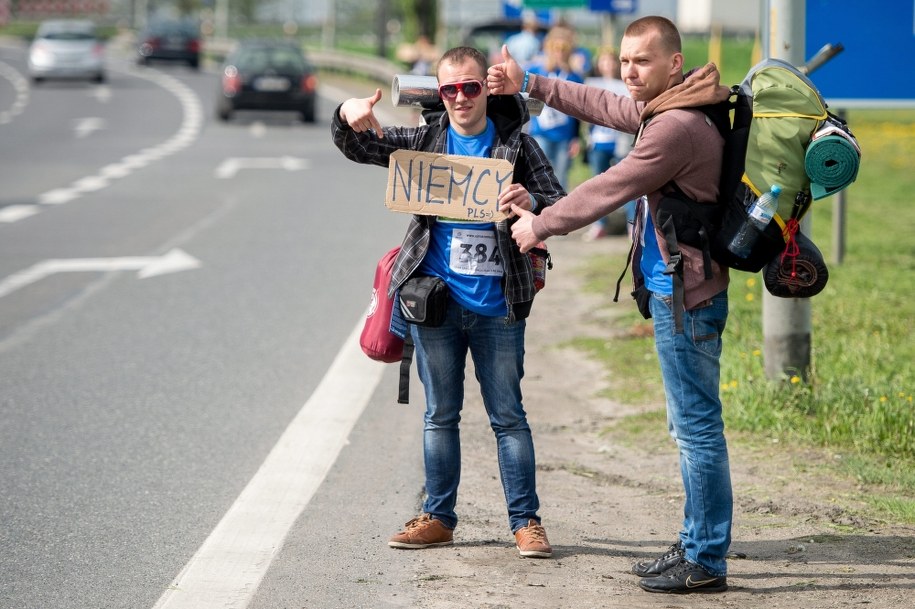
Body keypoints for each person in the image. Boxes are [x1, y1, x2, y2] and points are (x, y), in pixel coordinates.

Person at [487, 16, 734, 593]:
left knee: (697, 429)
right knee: (688, 425)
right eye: (625, 60)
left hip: (685, 297)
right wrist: (535, 84)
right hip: (678, 290)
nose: (628, 72)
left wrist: (541, 224)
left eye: (641, 61)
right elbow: (602, 105)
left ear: (674, 63)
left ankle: (704, 557)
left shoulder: (675, 127)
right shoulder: (669, 107)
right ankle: (697, 539)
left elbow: (610, 187)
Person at [332, 46, 566, 558]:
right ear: (438, 94)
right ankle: (438, 517)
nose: (460, 97)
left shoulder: (517, 146)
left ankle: (526, 522)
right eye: (449, 89)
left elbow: (560, 201)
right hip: (434, 303)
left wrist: (533, 203)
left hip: (499, 306)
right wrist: (347, 118)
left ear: (487, 88)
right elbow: (362, 147)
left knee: (508, 416)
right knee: (440, 415)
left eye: (470, 87)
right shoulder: (425, 139)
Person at [582, 47, 636, 241]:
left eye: (612, 61)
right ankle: (600, 224)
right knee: (599, 186)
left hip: (621, 142)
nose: (608, 65)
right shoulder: (593, 84)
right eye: (604, 61)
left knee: (629, 186)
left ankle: (633, 225)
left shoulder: (628, 85)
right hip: (599, 142)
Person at [526, 24, 584, 190]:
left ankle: (558, 212)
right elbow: (528, 101)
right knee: (538, 174)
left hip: (564, 136)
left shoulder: (574, 76)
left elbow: (579, 111)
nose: (559, 51)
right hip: (541, 132)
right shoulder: (537, 70)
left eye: (563, 47)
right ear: (548, 47)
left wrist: (576, 138)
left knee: (561, 177)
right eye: (555, 47)